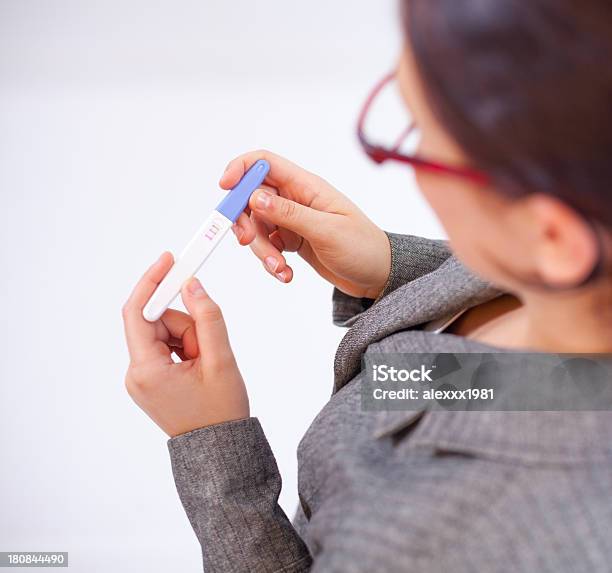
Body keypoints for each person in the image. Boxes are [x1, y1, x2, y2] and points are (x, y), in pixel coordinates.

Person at [122, 1, 612, 571]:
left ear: (551, 236)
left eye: (420, 136)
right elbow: (531, 380)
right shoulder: (571, 328)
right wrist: (388, 267)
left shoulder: (451, 539)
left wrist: (215, 447)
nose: (406, 163)